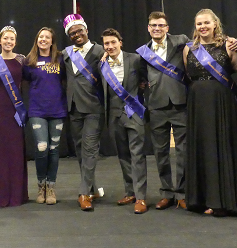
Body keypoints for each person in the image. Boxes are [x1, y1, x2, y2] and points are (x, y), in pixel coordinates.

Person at [183, 9, 237, 216]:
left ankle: (221, 200)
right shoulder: (188, 49)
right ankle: (201, 199)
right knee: (202, 147)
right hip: (197, 103)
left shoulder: (228, 46)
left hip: (221, 102)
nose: (202, 27)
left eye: (206, 23)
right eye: (198, 23)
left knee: (220, 147)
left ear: (215, 25)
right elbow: (188, 75)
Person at [136, 12, 190, 210]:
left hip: (180, 104)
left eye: (160, 25)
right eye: (152, 25)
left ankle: (182, 193)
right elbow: (142, 77)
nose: (156, 28)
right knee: (161, 152)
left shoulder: (181, 41)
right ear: (148, 28)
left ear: (167, 27)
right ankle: (166, 192)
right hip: (157, 106)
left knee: (183, 151)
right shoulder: (143, 52)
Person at [100, 28, 148, 213]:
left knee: (137, 155)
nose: (110, 46)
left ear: (121, 42)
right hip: (114, 116)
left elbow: (145, 81)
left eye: (113, 42)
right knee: (123, 156)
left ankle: (141, 198)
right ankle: (130, 191)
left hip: (134, 114)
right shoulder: (101, 64)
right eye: (107, 44)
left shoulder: (135, 59)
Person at [62, 14, 105, 211]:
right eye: (72, 33)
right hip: (73, 108)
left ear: (86, 30)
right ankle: (92, 188)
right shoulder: (65, 54)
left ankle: (84, 193)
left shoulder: (101, 51)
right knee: (80, 150)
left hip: (94, 107)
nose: (77, 34)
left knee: (89, 149)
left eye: (79, 30)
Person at [23, 27, 67, 205]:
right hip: (37, 111)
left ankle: (51, 187)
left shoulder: (60, 59)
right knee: (42, 147)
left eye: (47, 37)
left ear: (52, 41)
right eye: (41, 36)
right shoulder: (29, 61)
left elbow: (66, 80)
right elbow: (24, 82)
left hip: (57, 110)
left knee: (53, 150)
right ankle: (41, 185)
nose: (43, 40)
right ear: (37, 39)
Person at [0, 26, 28, 207]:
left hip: (16, 110)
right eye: (6, 38)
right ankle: (0, 194)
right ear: (0, 40)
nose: (9, 42)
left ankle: (17, 195)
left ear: (15, 42)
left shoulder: (22, 60)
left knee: (15, 150)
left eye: (12, 39)